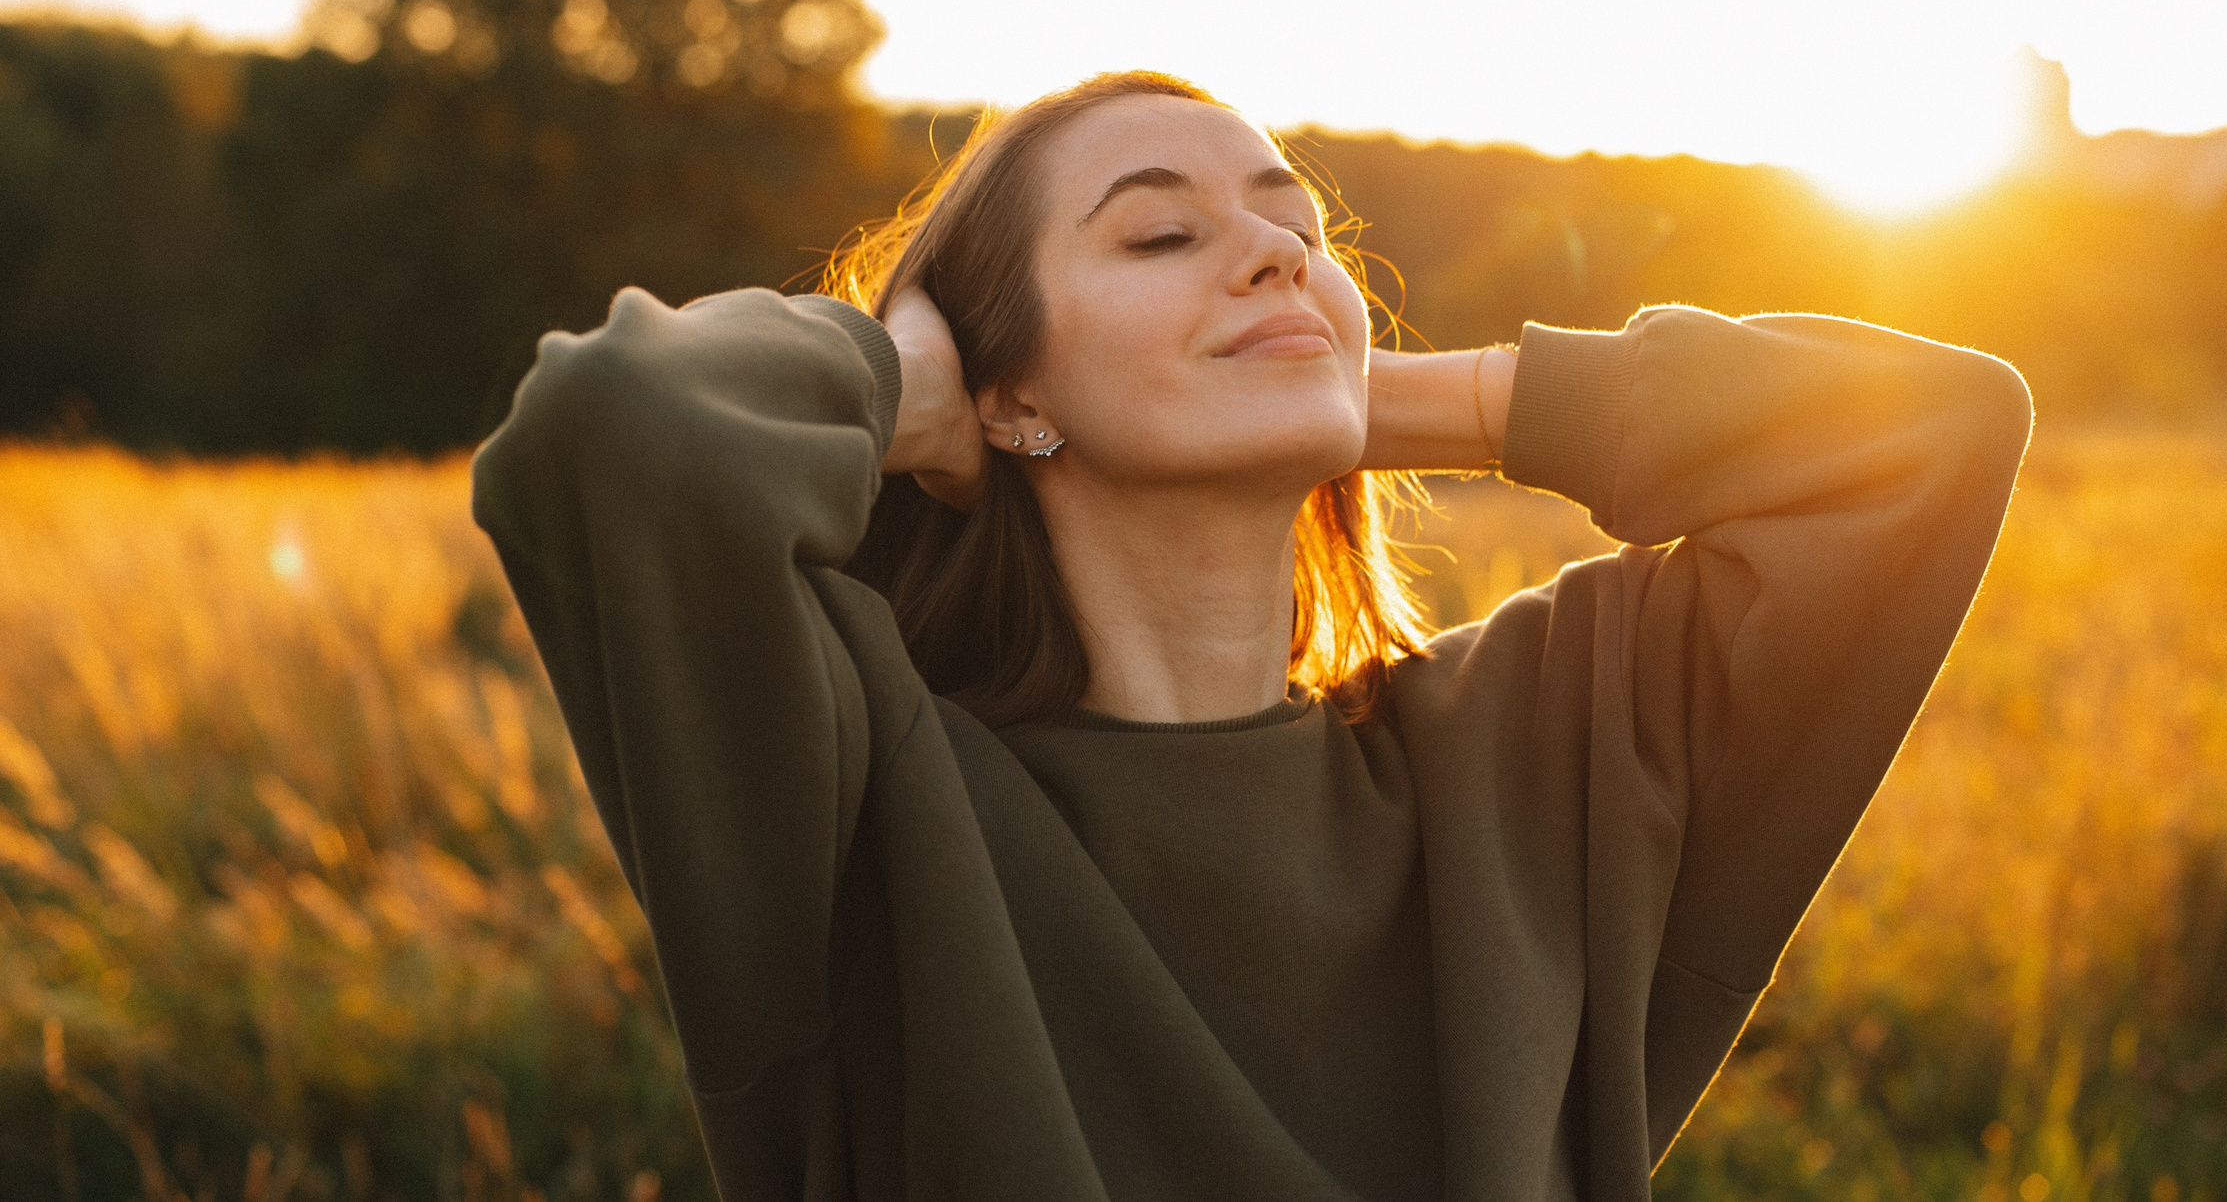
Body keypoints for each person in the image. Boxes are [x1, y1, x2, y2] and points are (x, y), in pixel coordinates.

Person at [471, 71, 2035, 1202]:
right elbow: (615, 430)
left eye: (1299, 234)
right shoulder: (862, 804)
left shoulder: (1533, 758)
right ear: (999, 389)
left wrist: (1398, 396)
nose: (1280, 253)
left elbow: (1933, 435)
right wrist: (921, 388)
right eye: (1160, 239)